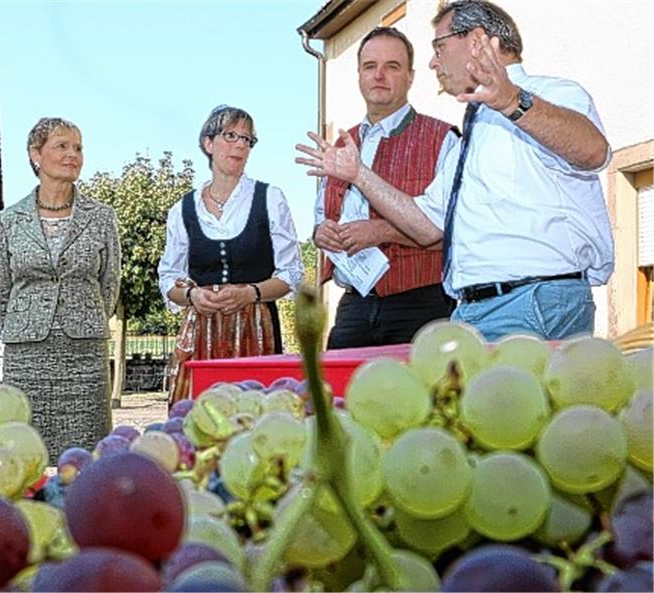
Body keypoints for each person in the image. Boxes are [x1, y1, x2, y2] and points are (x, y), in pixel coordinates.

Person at [296, 0, 613, 342]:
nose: (434, 61)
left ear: (476, 42)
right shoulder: (472, 136)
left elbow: (593, 151)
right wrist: (359, 174)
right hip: (477, 311)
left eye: (439, 47)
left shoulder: (551, 94)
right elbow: (426, 225)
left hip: (531, 304)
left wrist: (510, 99)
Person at [315, 27, 460, 350]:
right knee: (339, 398)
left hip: (423, 306)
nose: (379, 75)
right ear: (358, 76)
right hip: (353, 306)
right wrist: (321, 232)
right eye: (370, 66)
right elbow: (323, 216)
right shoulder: (341, 143)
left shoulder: (444, 140)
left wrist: (382, 231)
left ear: (410, 76)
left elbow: (453, 231)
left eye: (392, 66)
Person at [0, 117, 121, 457]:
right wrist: (28, 320)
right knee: (25, 450)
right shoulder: (8, 220)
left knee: (87, 457)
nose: (72, 154)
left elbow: (109, 284)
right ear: (36, 154)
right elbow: (2, 289)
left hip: (85, 356)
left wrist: (82, 317)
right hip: (26, 355)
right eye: (61, 146)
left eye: (78, 147)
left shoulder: (102, 216)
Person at [159, 105, 304, 403]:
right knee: (201, 420)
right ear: (208, 143)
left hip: (257, 329)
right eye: (231, 135)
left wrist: (250, 293)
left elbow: (291, 274)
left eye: (247, 139)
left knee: (255, 414)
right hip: (201, 331)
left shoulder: (270, 199)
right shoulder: (182, 210)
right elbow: (169, 277)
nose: (240, 144)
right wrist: (192, 297)